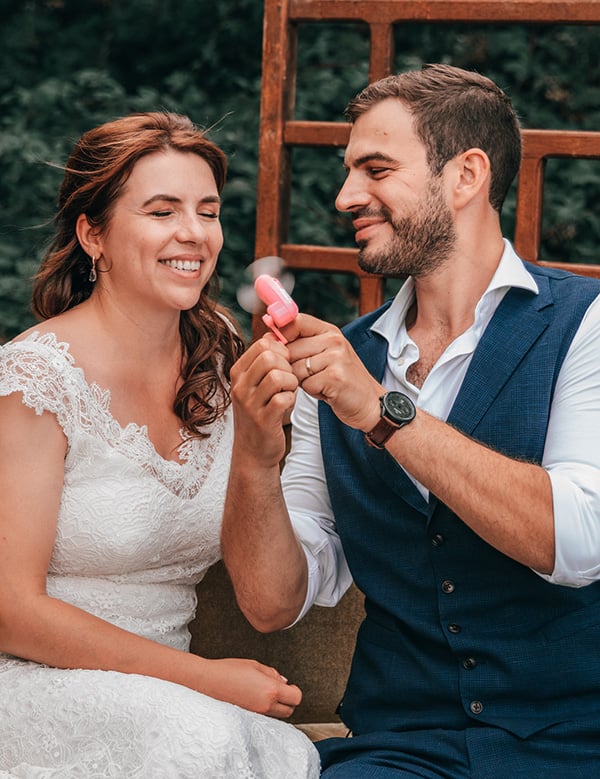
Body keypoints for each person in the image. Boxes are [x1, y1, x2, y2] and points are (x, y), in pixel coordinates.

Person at [221, 64, 600, 777]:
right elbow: (274, 601)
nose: (344, 197)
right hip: (400, 750)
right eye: (346, 172)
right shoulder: (334, 366)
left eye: (375, 168)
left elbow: (576, 541)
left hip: (577, 740)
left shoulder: (586, 326)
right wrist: (252, 452)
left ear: (466, 176)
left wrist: (385, 413)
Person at [0, 111, 320, 778]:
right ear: (94, 234)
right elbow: (11, 611)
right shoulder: (34, 380)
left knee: (289, 753)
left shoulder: (227, 361)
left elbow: (270, 599)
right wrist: (205, 678)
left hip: (168, 699)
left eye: (208, 210)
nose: (194, 234)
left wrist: (264, 445)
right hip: (33, 681)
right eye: (161, 210)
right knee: (201, 739)